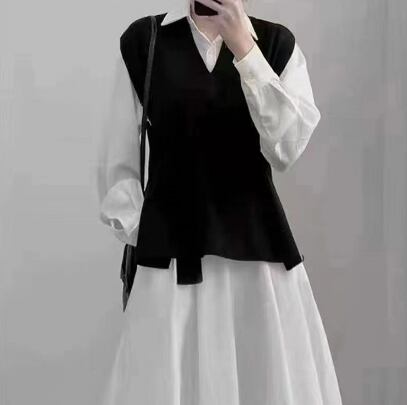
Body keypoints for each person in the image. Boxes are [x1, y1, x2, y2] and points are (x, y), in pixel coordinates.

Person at [97, 0, 343, 403]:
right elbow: (117, 165)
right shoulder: (145, 41)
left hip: (258, 269)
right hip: (171, 269)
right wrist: (155, 229)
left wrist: (245, 48)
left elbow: (286, 148)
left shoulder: (275, 44)